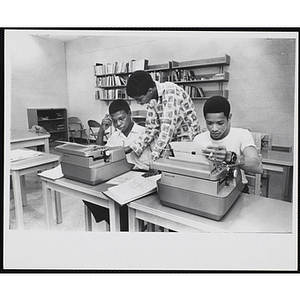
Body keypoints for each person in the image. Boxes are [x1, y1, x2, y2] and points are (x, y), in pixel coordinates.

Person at [85, 99, 154, 230]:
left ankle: (124, 224)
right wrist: (101, 130)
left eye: (122, 119)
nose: (118, 124)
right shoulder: (115, 136)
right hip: (120, 176)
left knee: (120, 201)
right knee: (89, 194)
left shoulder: (145, 132)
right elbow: (98, 152)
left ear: (130, 114)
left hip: (142, 175)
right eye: (115, 121)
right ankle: (119, 222)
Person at [125, 70, 201, 162]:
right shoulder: (151, 99)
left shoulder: (170, 92)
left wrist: (154, 159)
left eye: (139, 99)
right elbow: (151, 129)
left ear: (150, 91)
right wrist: (131, 148)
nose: (138, 103)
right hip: (171, 142)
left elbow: (167, 129)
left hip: (187, 140)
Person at [193, 95, 263, 193]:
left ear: (229, 118)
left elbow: (258, 166)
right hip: (207, 187)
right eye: (209, 123)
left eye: (220, 123)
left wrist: (230, 157)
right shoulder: (198, 139)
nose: (214, 129)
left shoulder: (242, 134)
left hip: (237, 190)